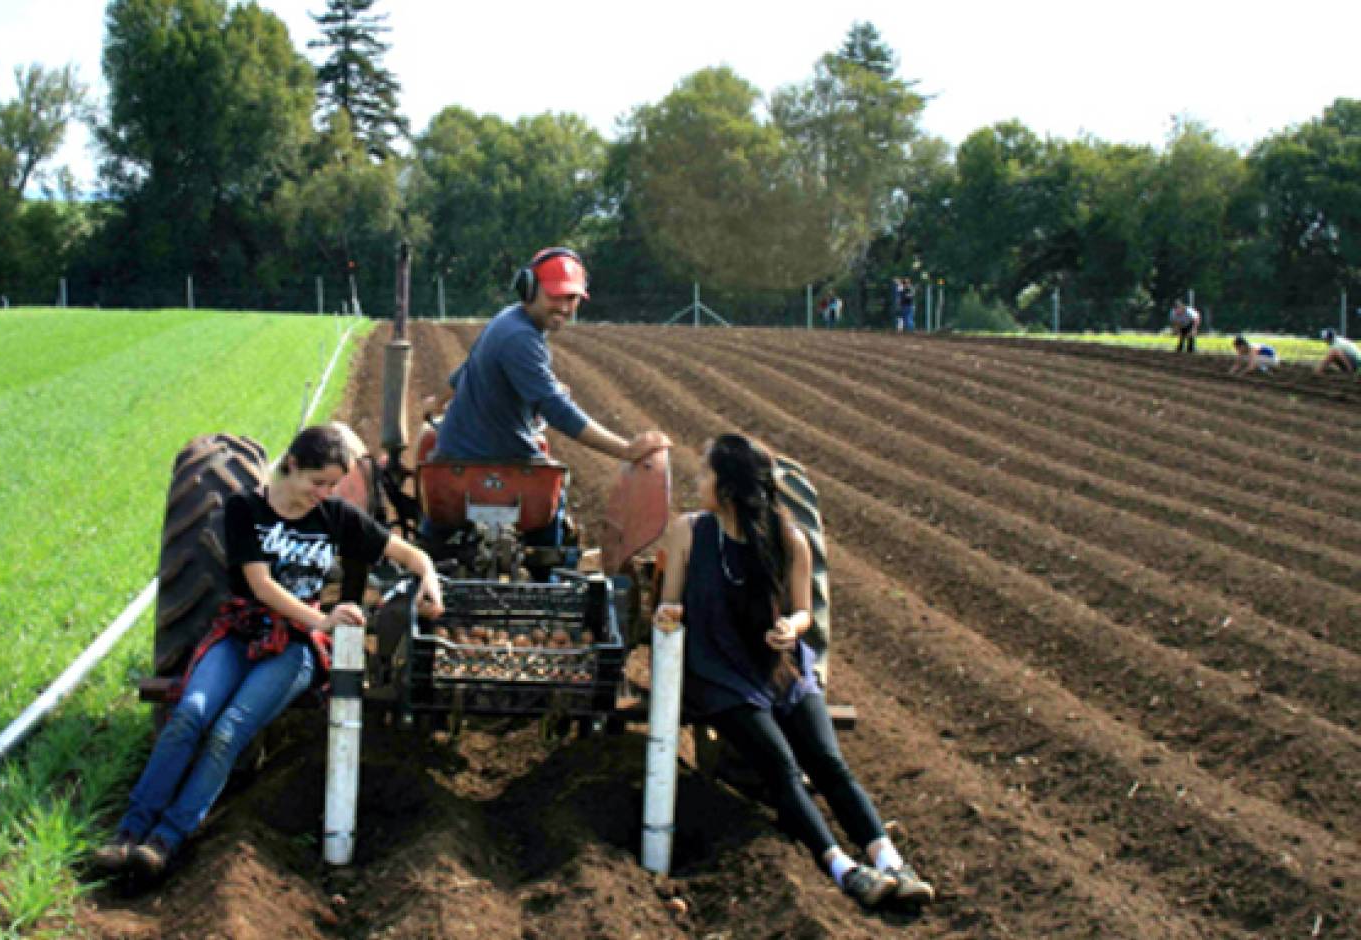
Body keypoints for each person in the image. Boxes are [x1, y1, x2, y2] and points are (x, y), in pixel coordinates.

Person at [95, 425, 445, 880]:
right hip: (241, 633)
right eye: (317, 482)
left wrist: (429, 583)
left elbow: (413, 556)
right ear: (292, 465)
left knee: (228, 731)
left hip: (293, 649)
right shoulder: (247, 509)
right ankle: (129, 831)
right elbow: (261, 584)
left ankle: (166, 839)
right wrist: (322, 619)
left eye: (333, 486)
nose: (324, 494)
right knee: (189, 714)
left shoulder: (335, 516)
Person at [652, 434, 934, 911]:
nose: (697, 481)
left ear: (729, 486)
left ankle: (889, 860)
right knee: (780, 766)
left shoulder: (789, 540)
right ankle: (842, 868)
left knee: (827, 761)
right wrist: (668, 614)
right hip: (718, 671)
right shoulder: (689, 532)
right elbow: (670, 599)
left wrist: (791, 626)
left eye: (705, 473)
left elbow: (805, 611)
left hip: (777, 668)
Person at [428, 247, 671, 540]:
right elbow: (555, 408)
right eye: (555, 296)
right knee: (550, 508)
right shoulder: (521, 337)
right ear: (529, 290)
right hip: (504, 459)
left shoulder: (508, 320)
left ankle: (430, 543)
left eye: (572, 298)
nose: (565, 308)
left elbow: (468, 368)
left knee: (437, 534)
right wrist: (624, 450)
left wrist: (438, 401)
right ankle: (550, 572)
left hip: (454, 454)